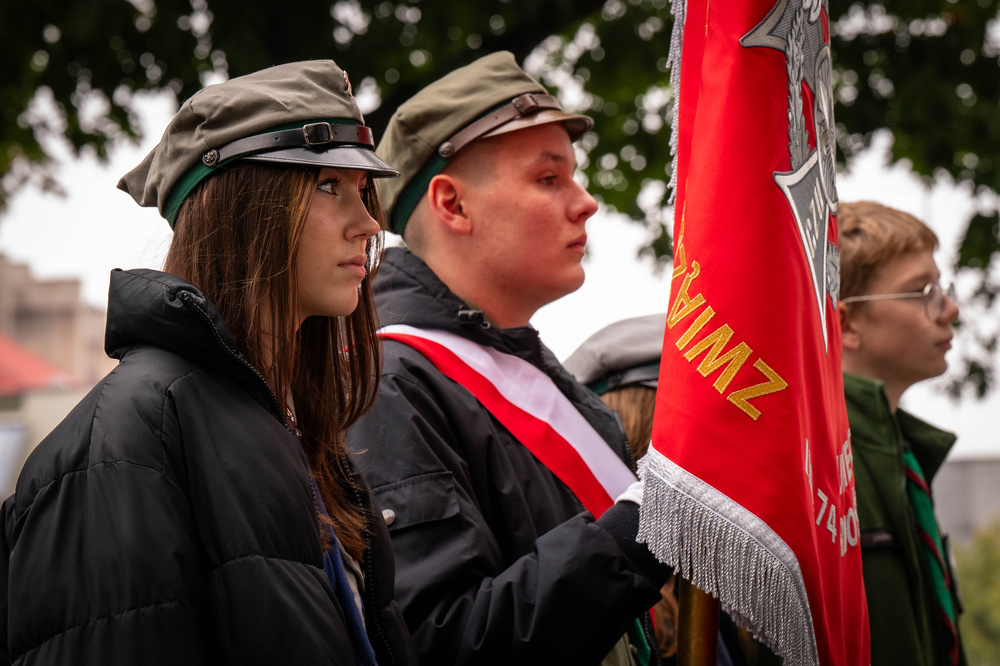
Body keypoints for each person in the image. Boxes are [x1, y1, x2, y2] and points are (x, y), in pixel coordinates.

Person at [0, 61, 417, 665]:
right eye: (328, 185)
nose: (369, 224)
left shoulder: (300, 435)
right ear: (245, 208)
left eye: (362, 191)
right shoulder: (126, 437)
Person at [346, 51, 671, 666]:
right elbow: (440, 642)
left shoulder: (554, 385)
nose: (586, 203)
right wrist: (639, 529)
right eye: (549, 179)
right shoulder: (387, 385)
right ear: (453, 205)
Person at [838, 201, 966, 666]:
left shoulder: (902, 452)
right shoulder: (826, 465)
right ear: (846, 323)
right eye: (921, 293)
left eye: (942, 288)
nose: (949, 308)